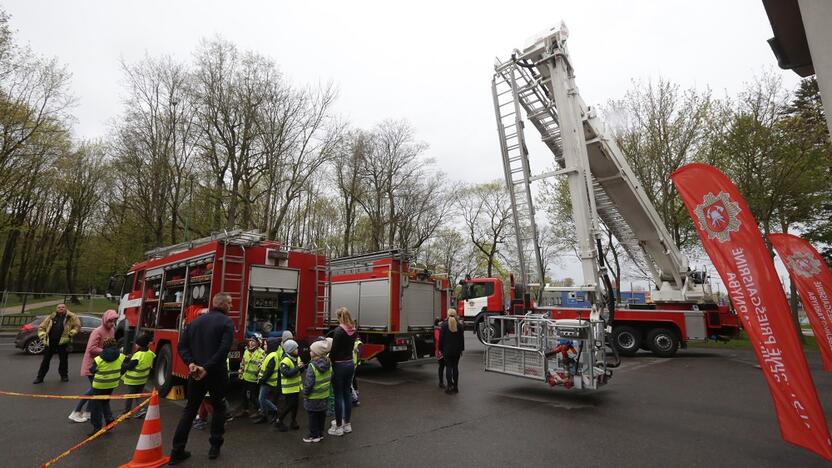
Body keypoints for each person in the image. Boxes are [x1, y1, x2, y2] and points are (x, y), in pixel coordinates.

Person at [169, 293, 234, 465]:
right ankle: (215, 447)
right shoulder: (226, 322)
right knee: (219, 407)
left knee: (190, 410)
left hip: (196, 374)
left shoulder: (194, 322)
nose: (232, 306)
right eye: (230, 303)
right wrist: (207, 368)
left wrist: (191, 363)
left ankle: (177, 450)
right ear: (223, 304)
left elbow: (182, 346)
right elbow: (223, 350)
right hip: (216, 374)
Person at [68, 309, 119, 422]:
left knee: (95, 390)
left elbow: (111, 345)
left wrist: (113, 351)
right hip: (93, 364)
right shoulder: (97, 331)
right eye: (110, 321)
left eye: (114, 321)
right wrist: (107, 352)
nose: (112, 323)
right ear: (105, 320)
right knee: (94, 389)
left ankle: (87, 412)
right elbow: (91, 349)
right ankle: (76, 411)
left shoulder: (112, 330)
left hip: (103, 364)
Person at [33, 303, 81, 384]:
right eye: (59, 307)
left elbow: (77, 326)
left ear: (66, 308)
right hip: (50, 342)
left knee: (63, 361)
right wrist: (42, 335)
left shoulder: (71, 316)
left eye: (63, 307)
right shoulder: (51, 316)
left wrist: (71, 333)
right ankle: (40, 377)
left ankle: (64, 376)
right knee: (45, 360)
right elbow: (42, 327)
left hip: (63, 342)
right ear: (56, 309)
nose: (61, 308)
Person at [87, 337, 125, 436]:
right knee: (105, 401)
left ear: (104, 346)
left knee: (96, 406)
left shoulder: (99, 359)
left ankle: (97, 427)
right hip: (112, 384)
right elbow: (125, 365)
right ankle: (109, 420)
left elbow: (92, 370)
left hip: (99, 385)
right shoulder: (121, 356)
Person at [328, 307, 357, 436]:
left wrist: (330, 361)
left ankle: (338, 426)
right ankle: (347, 424)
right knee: (347, 394)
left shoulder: (339, 331)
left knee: (338, 395)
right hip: (350, 363)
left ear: (339, 317)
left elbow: (334, 351)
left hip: (339, 365)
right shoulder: (353, 330)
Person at [303, 338, 332, 443]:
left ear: (316, 353)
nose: (310, 352)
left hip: (313, 396)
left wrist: (305, 393)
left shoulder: (312, 366)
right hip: (324, 394)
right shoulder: (328, 364)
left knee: (313, 416)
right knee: (321, 415)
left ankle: (313, 435)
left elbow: (309, 383)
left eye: (311, 351)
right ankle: (320, 433)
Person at [121, 333, 155, 418]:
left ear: (140, 345)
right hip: (142, 379)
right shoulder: (150, 353)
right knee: (138, 395)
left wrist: (123, 362)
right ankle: (142, 409)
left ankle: (126, 413)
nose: (135, 345)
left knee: (130, 396)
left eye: (137, 344)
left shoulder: (138, 355)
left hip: (133, 380)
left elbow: (129, 367)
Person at [274, 339, 303, 432]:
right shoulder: (285, 360)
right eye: (295, 349)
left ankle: (293, 421)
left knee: (295, 405)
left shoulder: (297, 358)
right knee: (289, 405)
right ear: (290, 350)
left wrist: (301, 367)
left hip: (296, 387)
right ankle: (279, 420)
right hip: (288, 388)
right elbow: (287, 373)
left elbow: (300, 371)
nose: (297, 350)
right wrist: (298, 367)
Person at [253, 337, 282, 424]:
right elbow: (265, 367)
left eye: (265, 344)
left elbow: (269, 370)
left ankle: (274, 411)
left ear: (271, 346)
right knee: (262, 398)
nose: (264, 346)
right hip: (266, 381)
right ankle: (265, 415)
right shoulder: (270, 354)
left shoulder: (272, 356)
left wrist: (262, 379)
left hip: (267, 382)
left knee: (262, 399)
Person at [439, 309, 464, 394]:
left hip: (447, 351)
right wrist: (461, 349)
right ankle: (456, 387)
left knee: (448, 367)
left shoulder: (444, 325)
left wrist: (440, 349)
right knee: (455, 367)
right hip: (457, 351)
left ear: (448, 314)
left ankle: (449, 386)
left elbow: (441, 339)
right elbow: (462, 340)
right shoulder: (460, 326)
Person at [240, 337, 265, 416]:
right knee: (243, 394)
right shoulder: (246, 351)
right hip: (245, 377)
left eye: (253, 341)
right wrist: (240, 372)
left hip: (254, 379)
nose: (250, 343)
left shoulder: (261, 353)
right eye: (250, 341)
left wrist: (259, 373)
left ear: (258, 343)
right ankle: (245, 410)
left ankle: (260, 410)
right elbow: (243, 363)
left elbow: (262, 366)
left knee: (253, 396)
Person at [433, 318, 446, 389]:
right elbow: (438, 339)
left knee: (444, 366)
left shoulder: (440, 329)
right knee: (441, 366)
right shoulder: (437, 330)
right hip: (439, 351)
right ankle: (441, 382)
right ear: (438, 323)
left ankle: (443, 381)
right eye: (440, 322)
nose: (442, 323)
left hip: (443, 350)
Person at [351, 336, 362, 406]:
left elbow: (358, 353)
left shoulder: (356, 343)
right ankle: (356, 391)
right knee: (352, 380)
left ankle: (355, 399)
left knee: (349, 384)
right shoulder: (355, 342)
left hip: (351, 365)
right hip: (352, 364)